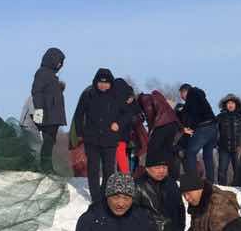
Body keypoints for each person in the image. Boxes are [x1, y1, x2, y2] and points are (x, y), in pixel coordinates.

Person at [73, 68, 133, 202]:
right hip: (92, 139)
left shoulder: (116, 96)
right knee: (93, 169)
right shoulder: (88, 95)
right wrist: (80, 132)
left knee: (109, 171)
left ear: (111, 83)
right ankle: (95, 198)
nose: (103, 85)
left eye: (106, 83)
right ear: (96, 82)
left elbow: (128, 113)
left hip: (110, 139)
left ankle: (105, 193)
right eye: (100, 82)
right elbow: (78, 114)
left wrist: (118, 123)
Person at [30, 46, 66, 172]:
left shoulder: (51, 75)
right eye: (58, 61)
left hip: (54, 114)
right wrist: (39, 109)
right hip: (48, 114)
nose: (60, 64)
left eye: (61, 62)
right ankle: (45, 166)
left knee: (51, 141)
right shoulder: (42, 73)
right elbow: (37, 91)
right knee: (47, 141)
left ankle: (47, 165)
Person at [178, 83, 219, 184]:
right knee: (207, 155)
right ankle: (210, 181)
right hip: (213, 127)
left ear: (184, 91)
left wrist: (187, 127)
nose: (181, 98)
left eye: (181, 95)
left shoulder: (192, 96)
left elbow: (191, 114)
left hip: (204, 128)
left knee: (190, 152)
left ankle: (193, 181)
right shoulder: (199, 95)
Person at [137, 90, 182, 175]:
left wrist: (150, 131)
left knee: (152, 149)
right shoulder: (157, 97)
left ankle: (149, 172)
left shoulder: (145, 99)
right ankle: (173, 174)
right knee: (167, 150)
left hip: (162, 124)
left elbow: (150, 115)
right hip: (173, 124)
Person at [215, 93, 241, 186]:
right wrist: (216, 143)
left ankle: (238, 189)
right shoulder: (220, 117)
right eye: (228, 103)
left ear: (236, 104)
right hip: (223, 148)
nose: (230, 105)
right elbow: (215, 131)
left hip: (238, 148)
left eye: (232, 103)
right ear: (225, 105)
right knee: (222, 171)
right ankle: (221, 189)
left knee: (238, 171)